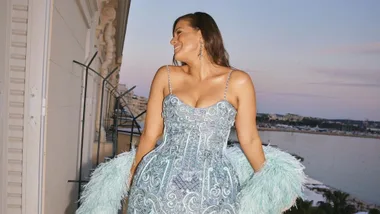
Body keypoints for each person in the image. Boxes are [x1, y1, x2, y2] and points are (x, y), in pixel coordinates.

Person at [76, 12, 306, 214]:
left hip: (214, 191)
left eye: (179, 33)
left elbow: (250, 139)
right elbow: (150, 134)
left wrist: (274, 187)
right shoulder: (165, 75)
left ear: (202, 34)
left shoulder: (238, 81)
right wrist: (134, 173)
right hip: (156, 184)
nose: (172, 40)